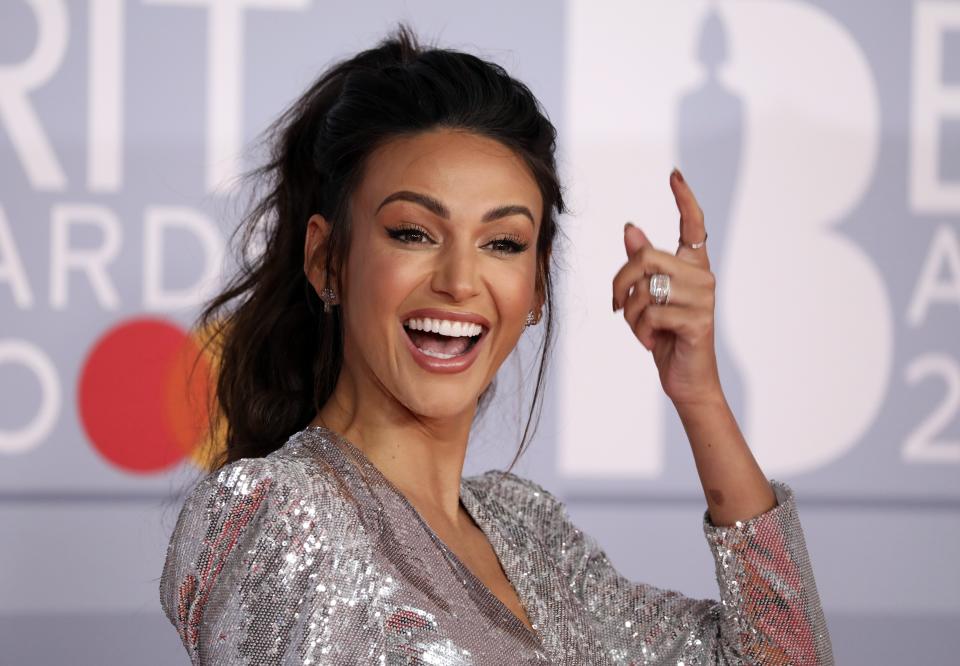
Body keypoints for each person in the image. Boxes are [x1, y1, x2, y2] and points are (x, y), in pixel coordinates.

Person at [159, 24, 834, 665]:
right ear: (328, 260)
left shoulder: (527, 532)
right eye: (413, 233)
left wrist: (700, 393)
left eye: (502, 244)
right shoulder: (274, 512)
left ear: (535, 289)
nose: (458, 282)